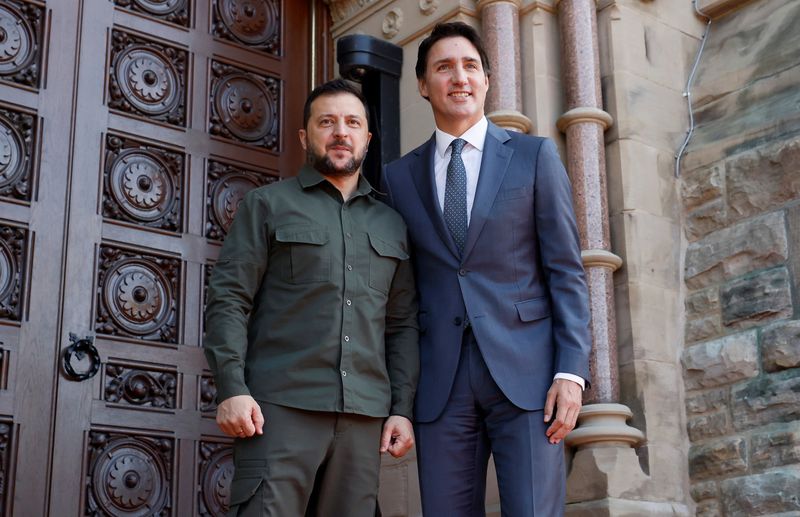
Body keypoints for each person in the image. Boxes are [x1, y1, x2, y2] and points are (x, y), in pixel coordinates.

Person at [381, 22, 592, 516]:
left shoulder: (534, 156)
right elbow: (400, 293)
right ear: (422, 84)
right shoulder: (397, 177)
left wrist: (571, 372)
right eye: (444, 67)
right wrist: (398, 395)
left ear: (487, 80)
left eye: (470, 66)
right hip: (440, 384)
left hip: (529, 377)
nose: (459, 77)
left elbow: (566, 271)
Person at [204, 78, 419, 517]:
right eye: (327, 122)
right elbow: (229, 299)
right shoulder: (266, 206)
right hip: (278, 411)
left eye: (352, 123)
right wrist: (231, 387)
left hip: (364, 420)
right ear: (306, 136)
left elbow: (401, 325)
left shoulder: (392, 225)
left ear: (367, 138)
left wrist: (402, 408)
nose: (341, 132)